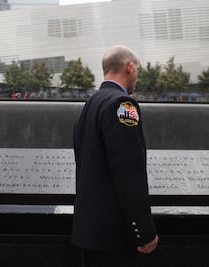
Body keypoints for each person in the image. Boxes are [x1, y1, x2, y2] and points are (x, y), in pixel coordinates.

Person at [72, 45, 159, 267]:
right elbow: (129, 174)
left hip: (88, 233)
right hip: (113, 239)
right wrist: (144, 232)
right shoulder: (123, 105)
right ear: (129, 67)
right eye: (137, 69)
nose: (137, 76)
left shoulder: (91, 104)